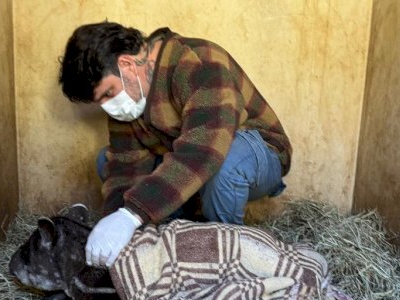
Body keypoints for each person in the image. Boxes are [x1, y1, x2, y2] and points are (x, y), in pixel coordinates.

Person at [58, 22, 292, 268]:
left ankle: (230, 257)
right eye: (100, 101)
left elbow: (204, 151)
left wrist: (131, 214)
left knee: (224, 163)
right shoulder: (129, 98)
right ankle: (175, 243)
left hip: (253, 156)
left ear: (126, 65)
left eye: (108, 93)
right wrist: (115, 225)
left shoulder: (199, 63)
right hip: (194, 165)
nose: (109, 106)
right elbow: (126, 168)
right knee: (106, 161)